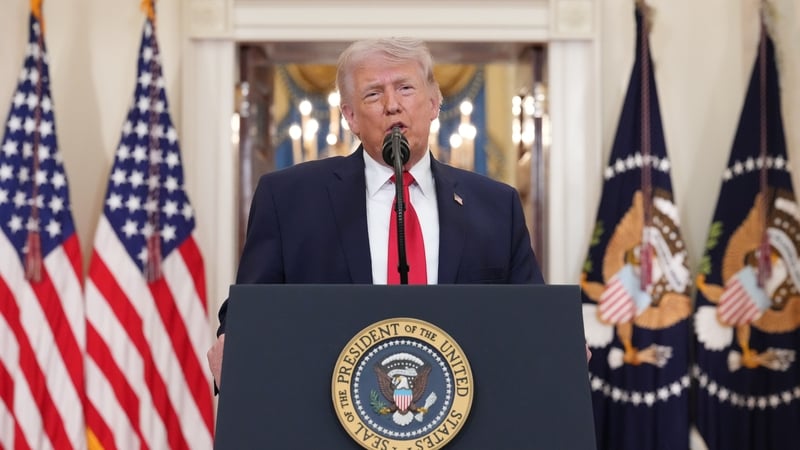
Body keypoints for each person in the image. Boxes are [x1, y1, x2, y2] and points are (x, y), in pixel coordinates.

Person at [207, 37, 546, 386]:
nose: (392, 105)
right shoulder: (288, 199)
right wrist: (233, 342)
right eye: (373, 94)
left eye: (405, 88)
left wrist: (551, 351)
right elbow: (250, 310)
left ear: (434, 103)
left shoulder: (496, 205)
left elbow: (533, 319)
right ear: (350, 117)